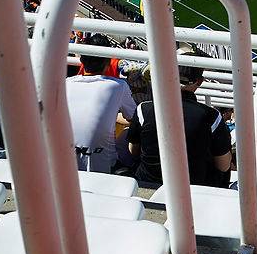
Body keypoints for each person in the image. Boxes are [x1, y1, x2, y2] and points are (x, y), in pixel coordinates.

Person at [128, 45, 232, 187]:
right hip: (194, 188)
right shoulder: (211, 117)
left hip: (147, 184)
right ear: (199, 82)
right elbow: (224, 166)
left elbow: (133, 150)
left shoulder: (144, 109)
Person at [66, 40, 136, 173]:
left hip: (64, 166)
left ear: (81, 60)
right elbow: (133, 117)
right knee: (129, 131)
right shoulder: (118, 86)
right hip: (106, 167)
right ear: (108, 62)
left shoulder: (66, 83)